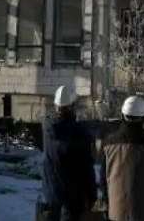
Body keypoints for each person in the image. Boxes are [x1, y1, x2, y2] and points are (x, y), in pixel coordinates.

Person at [99, 96, 144, 221]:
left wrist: (106, 207)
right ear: (143, 118)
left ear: (122, 116)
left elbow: (103, 181)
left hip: (116, 213)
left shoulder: (108, 144)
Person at [38, 85, 97, 221]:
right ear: (72, 107)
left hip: (51, 196)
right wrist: (92, 196)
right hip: (72, 200)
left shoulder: (47, 127)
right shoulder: (79, 133)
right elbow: (87, 169)